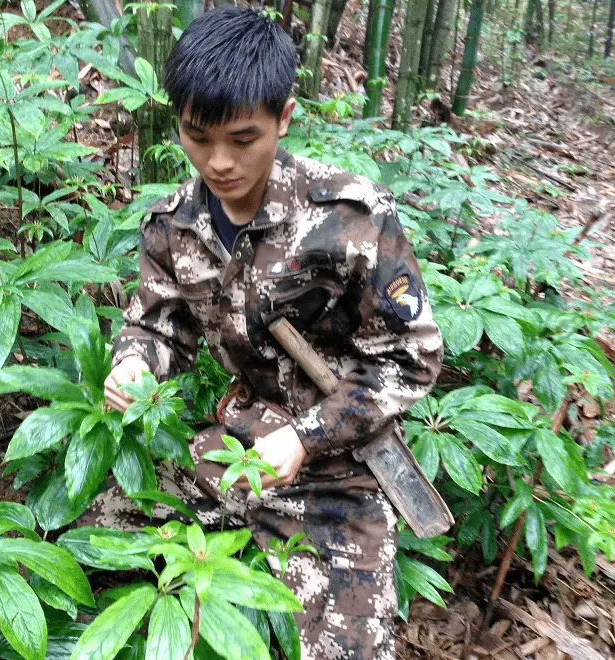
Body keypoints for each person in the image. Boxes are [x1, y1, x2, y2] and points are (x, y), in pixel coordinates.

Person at [83, 6, 443, 659]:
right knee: (90, 553)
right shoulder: (173, 225)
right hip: (236, 443)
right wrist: (137, 362)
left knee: (350, 650)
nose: (218, 162)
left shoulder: (350, 218)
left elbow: (409, 359)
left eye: (243, 139)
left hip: (341, 462)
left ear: (284, 118)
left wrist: (307, 439)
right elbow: (157, 322)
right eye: (198, 136)